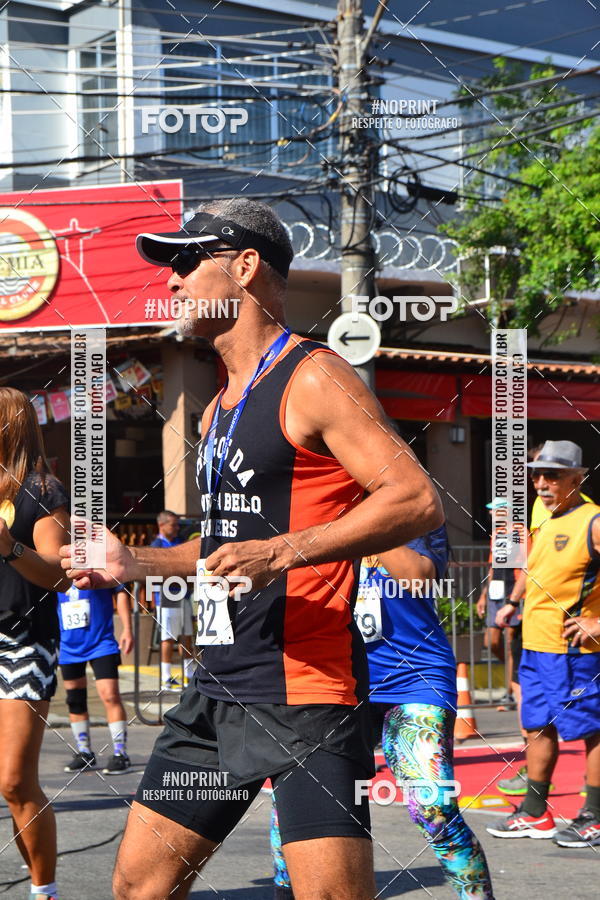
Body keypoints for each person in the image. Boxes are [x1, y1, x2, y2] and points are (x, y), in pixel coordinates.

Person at [61, 198, 443, 900]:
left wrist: (286, 552)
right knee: (139, 886)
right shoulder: (217, 405)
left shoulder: (315, 376)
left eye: (185, 259)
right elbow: (228, 545)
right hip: (215, 693)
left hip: (307, 696)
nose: (171, 280)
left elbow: (415, 498)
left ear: (244, 267)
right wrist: (136, 563)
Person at [271, 525, 495, 900]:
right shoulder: (322, 510)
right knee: (294, 802)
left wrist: (370, 519)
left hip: (414, 678)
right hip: (338, 677)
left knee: (434, 808)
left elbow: (419, 580)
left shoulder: (414, 513)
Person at [488, 440, 600, 847]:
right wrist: (512, 602)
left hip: (575, 651)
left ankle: (595, 815)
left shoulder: (593, 520)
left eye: (552, 474)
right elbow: (534, 567)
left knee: (593, 730)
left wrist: (598, 622)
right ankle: (535, 813)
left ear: (577, 477)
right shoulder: (544, 514)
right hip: (535, 644)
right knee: (536, 726)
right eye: (537, 473)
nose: (541, 482)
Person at [0, 387, 71, 900]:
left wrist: (9, 547)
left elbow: (59, 575)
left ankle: (42, 891)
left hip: (23, 641)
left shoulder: (42, 490)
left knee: (14, 781)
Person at [58, 583, 133, 774]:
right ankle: (84, 752)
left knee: (110, 695)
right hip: (68, 645)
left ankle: (120, 753)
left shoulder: (97, 562)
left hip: (101, 643)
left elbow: (121, 592)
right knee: (75, 699)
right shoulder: (54, 566)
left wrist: (127, 628)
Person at [476, 498, 520, 705]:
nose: (492, 515)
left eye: (495, 511)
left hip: (514, 591)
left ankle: (510, 692)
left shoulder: (521, 532)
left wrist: (517, 597)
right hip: (495, 592)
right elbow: (492, 567)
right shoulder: (496, 535)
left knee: (510, 643)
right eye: (491, 511)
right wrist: (483, 595)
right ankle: (516, 673)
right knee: (491, 642)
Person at [150, 511, 195, 690]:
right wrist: (154, 600)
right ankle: (166, 677)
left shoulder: (179, 543)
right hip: (166, 597)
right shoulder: (157, 545)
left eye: (178, 525)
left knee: (187, 636)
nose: (177, 528)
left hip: (184, 594)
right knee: (168, 637)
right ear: (162, 525)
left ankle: (189, 675)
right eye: (173, 525)